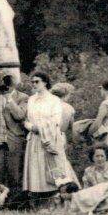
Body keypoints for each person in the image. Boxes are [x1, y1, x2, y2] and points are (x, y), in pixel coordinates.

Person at [23, 72, 79, 206]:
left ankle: (56, 200)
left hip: (50, 138)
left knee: (53, 168)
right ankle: (37, 202)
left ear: (45, 83)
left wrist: (40, 128)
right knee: (36, 170)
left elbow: (56, 120)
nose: (34, 84)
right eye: (33, 82)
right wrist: (31, 127)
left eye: (37, 81)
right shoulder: (31, 99)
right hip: (35, 138)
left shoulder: (54, 100)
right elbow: (26, 119)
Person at [1, 77, 29, 191]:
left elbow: (20, 115)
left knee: (15, 170)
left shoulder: (23, 97)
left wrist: (9, 99)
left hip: (15, 137)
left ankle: (16, 200)